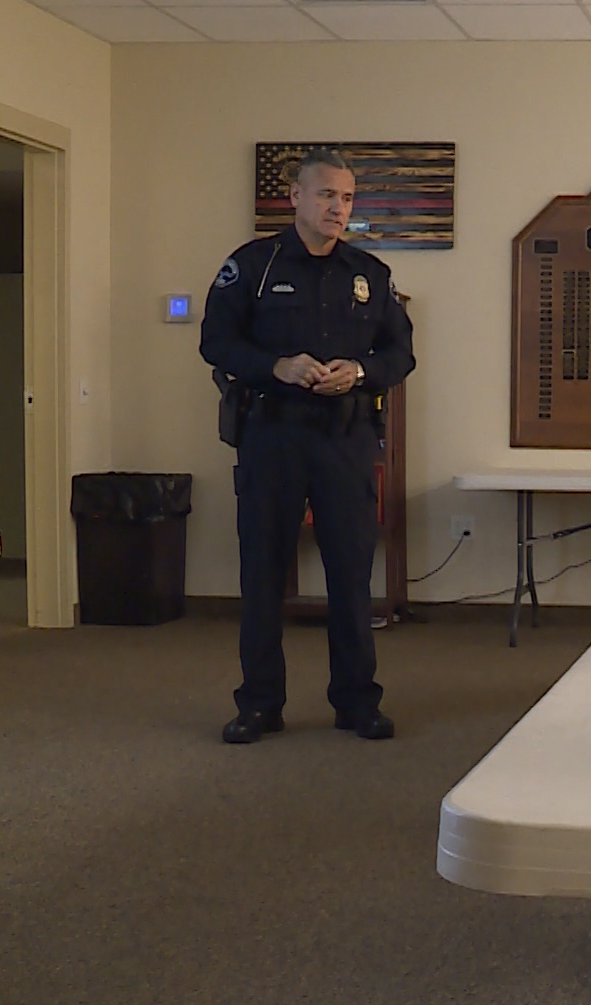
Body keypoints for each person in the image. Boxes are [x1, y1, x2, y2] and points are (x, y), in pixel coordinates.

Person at [200, 148, 416, 745]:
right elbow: (216, 341)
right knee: (263, 572)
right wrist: (277, 366)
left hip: (344, 437)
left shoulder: (368, 274)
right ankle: (260, 704)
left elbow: (401, 354)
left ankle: (356, 701)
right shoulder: (254, 266)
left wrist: (363, 373)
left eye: (347, 198)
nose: (337, 208)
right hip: (273, 435)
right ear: (294, 197)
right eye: (326, 195)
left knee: (352, 572)